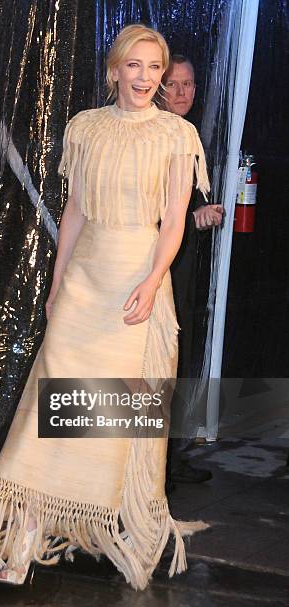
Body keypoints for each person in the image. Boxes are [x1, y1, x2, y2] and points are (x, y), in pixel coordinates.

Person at [0, 25, 210, 592]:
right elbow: (73, 212)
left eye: (155, 68)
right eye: (135, 66)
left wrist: (152, 281)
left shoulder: (176, 135)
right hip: (83, 284)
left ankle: (125, 537)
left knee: (121, 425)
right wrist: (56, 282)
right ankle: (23, 543)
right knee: (48, 417)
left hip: (136, 285)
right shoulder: (86, 127)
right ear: (115, 70)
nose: (146, 78)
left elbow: (173, 223)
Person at [162, 55, 223, 484]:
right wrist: (193, 215)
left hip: (179, 264)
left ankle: (168, 457)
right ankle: (154, 467)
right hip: (152, 264)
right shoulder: (159, 133)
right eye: (174, 84)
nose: (183, 93)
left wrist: (202, 211)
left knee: (176, 357)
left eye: (190, 84)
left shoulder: (188, 134)